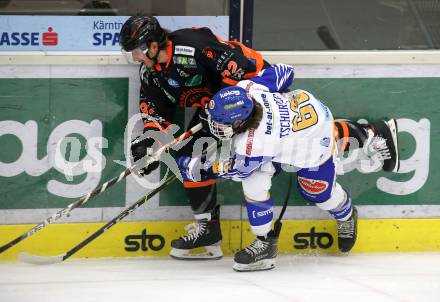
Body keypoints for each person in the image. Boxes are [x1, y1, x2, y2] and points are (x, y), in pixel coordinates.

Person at [119, 16, 399, 261]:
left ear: (153, 45)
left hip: (244, 105)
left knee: (309, 166)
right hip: (222, 113)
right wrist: (153, 141)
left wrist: (234, 103)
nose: (135, 58)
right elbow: (155, 113)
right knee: (211, 160)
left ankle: (370, 138)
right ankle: (213, 230)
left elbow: (243, 66)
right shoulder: (151, 74)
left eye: (137, 51)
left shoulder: (194, 45)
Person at [178, 64, 400, 271]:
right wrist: (279, 103)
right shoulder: (248, 88)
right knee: (256, 179)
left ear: (240, 122)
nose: (217, 127)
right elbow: (285, 71)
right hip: (306, 112)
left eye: (222, 124)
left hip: (312, 146)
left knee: (317, 191)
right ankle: (265, 245)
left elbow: (237, 169)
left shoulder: (255, 142)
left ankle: (346, 214)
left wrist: (200, 169)